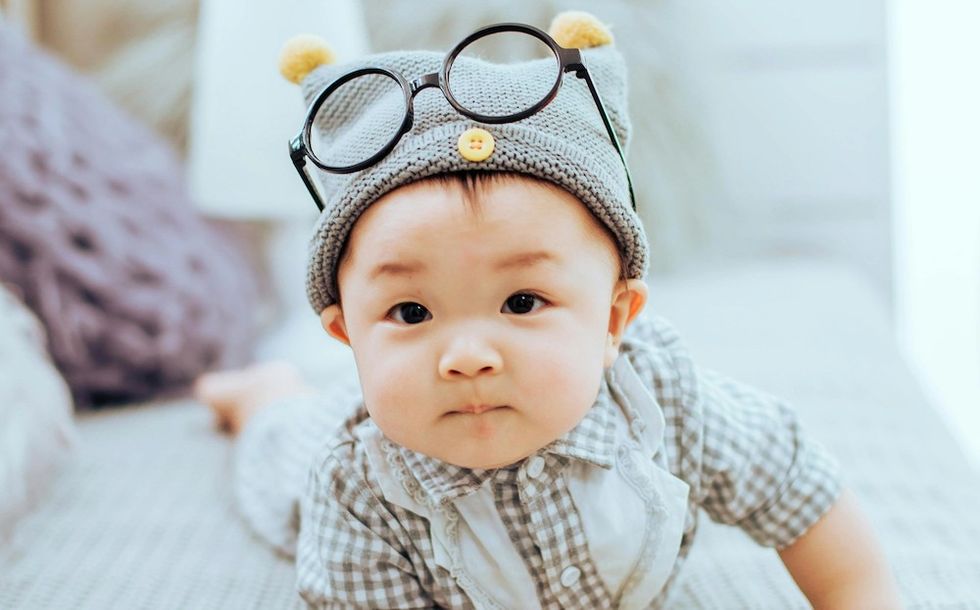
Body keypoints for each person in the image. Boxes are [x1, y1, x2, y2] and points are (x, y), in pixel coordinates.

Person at [195, 11, 902, 609]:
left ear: (615, 321)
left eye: (523, 301)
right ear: (348, 334)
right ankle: (262, 397)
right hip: (308, 447)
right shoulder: (356, 485)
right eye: (411, 312)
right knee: (281, 446)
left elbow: (799, 487)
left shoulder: (667, 405)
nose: (466, 354)